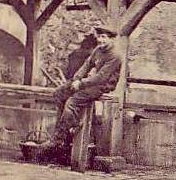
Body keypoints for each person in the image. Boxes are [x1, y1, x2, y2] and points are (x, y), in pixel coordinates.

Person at [39, 25, 124, 164]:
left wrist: (81, 83)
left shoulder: (115, 56)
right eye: (99, 37)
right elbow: (87, 65)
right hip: (89, 82)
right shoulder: (98, 50)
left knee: (71, 102)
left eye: (104, 37)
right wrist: (75, 79)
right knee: (59, 93)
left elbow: (101, 77)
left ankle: (58, 139)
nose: (100, 40)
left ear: (111, 39)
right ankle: (71, 123)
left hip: (101, 86)